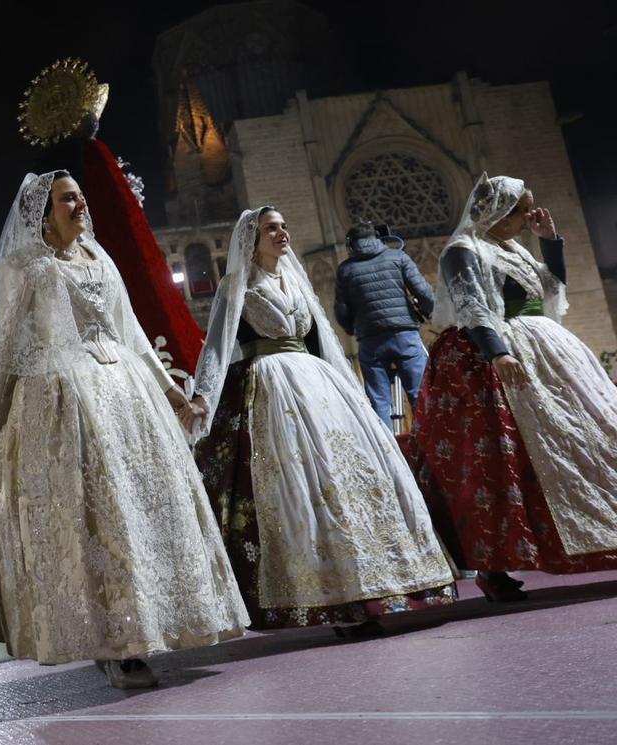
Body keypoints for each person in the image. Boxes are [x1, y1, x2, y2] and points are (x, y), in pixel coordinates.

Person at [0, 171, 248, 689]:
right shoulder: (25, 264)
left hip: (125, 395)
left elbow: (129, 327)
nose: (80, 205)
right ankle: (117, 643)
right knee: (100, 515)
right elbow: (2, 341)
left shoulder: (99, 257)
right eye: (68, 199)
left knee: (144, 507)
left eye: (81, 197)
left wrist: (168, 387)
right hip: (64, 399)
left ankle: (159, 623)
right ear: (43, 213)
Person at [189, 206, 455, 637]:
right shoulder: (235, 285)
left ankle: (376, 586)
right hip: (270, 384)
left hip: (317, 383)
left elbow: (323, 339)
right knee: (301, 487)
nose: (282, 233)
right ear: (251, 240)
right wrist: (203, 395)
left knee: (348, 476)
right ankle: (334, 599)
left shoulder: (295, 279)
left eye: (284, 225)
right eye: (271, 228)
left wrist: (349, 390)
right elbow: (218, 343)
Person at [410, 173, 617, 601]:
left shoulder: (512, 248)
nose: (529, 216)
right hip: (490, 358)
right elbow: (472, 305)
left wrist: (550, 241)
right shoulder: (463, 251)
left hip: (544, 349)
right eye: (523, 210)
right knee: (493, 461)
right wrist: (497, 353)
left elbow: (550, 291)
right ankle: (493, 565)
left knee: (590, 434)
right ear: (499, 212)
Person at [334, 222, 435, 426]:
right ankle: (432, 449)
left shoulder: (345, 269)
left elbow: (341, 309)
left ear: (351, 244)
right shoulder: (397, 257)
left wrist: (350, 328)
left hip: (370, 341)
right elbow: (424, 292)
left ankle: (388, 453)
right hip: (404, 335)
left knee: (379, 402)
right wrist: (427, 311)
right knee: (420, 395)